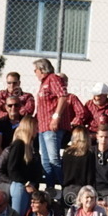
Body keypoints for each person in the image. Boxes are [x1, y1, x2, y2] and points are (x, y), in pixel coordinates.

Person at [32, 58, 68, 189]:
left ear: (41, 69)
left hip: (51, 127)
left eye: (35, 70)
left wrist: (56, 116)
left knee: (54, 159)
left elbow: (63, 96)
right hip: (42, 127)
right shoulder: (43, 83)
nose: (34, 72)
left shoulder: (53, 78)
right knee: (45, 161)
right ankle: (50, 188)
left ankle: (64, 187)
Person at [4, 115, 43, 216]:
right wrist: (26, 184)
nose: (37, 130)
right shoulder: (18, 144)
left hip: (29, 187)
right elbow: (12, 169)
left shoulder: (31, 146)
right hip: (20, 186)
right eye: (35, 127)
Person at [60, 125, 97, 208]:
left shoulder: (66, 152)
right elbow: (90, 176)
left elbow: (63, 171)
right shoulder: (89, 154)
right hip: (82, 190)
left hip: (67, 189)